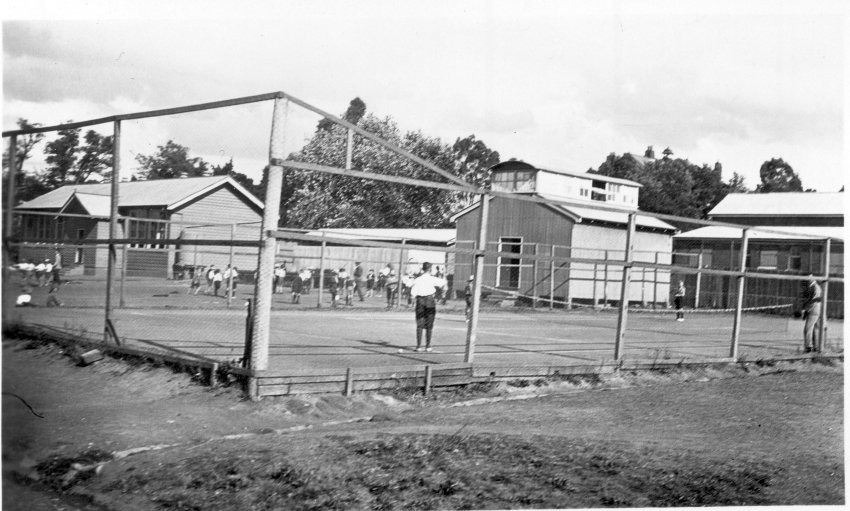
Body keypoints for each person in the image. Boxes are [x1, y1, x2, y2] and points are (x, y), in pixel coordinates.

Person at [404, 262, 447, 352]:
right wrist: (443, 275)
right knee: (429, 324)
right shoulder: (432, 278)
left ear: (423, 269)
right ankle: (428, 346)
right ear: (430, 269)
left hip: (420, 301)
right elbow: (443, 283)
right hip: (430, 301)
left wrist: (409, 275)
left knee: (419, 324)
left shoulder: (418, 279)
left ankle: (419, 346)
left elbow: (410, 287)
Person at [802, 275, 822, 353]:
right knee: (814, 329)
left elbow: (812, 300)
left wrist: (805, 310)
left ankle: (808, 347)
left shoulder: (813, 287)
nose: (806, 281)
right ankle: (816, 346)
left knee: (807, 329)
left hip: (813, 310)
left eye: (807, 279)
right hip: (817, 309)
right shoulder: (817, 287)